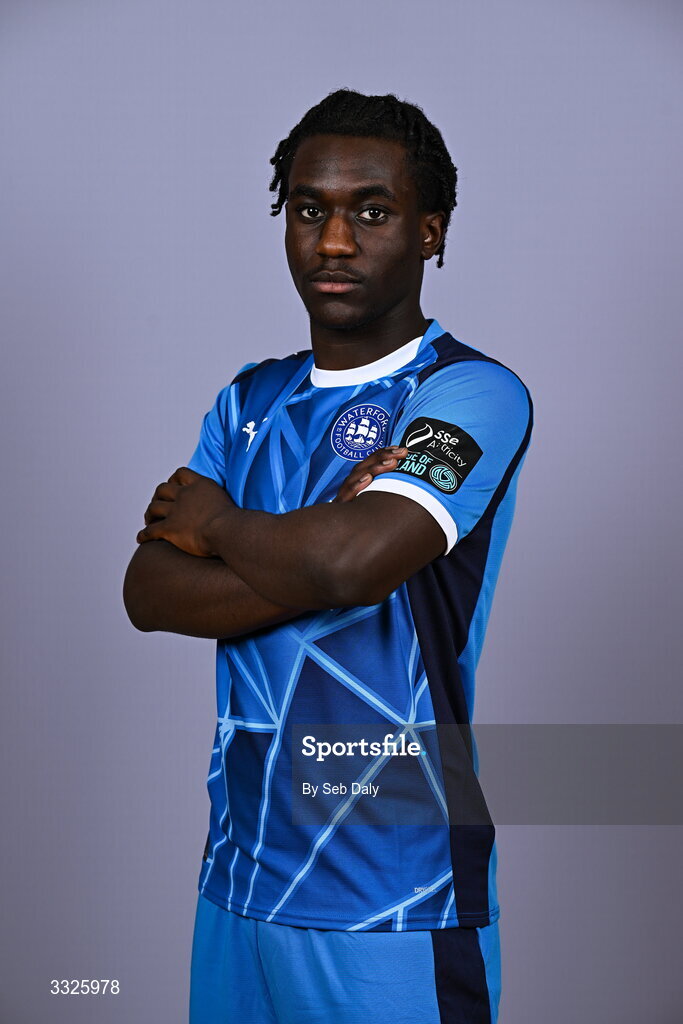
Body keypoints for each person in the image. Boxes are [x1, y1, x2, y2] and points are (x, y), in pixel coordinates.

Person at [123, 88, 533, 1024]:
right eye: (309, 210)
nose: (334, 241)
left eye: (371, 212)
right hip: (237, 877)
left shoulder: (469, 394)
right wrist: (321, 538)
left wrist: (218, 526)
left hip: (395, 894)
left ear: (429, 231)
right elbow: (148, 590)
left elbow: (354, 565)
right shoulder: (248, 399)